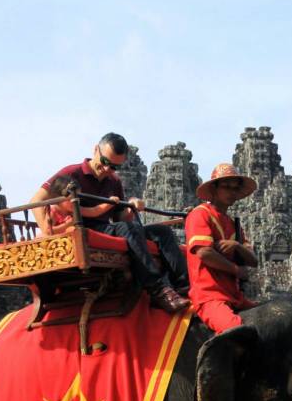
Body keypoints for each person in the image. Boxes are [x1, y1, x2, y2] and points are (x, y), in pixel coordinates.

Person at [29, 133, 188, 313]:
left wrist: (132, 206)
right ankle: (157, 289)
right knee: (127, 229)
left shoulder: (114, 181)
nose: (106, 168)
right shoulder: (72, 173)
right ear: (96, 149)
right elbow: (37, 199)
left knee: (162, 232)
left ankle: (183, 284)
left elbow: (120, 217)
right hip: (84, 228)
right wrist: (47, 229)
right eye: (104, 161)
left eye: (114, 166)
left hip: (110, 228)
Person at [184, 163, 259, 333]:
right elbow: (204, 252)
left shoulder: (235, 225)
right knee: (238, 331)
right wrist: (235, 270)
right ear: (214, 189)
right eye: (226, 186)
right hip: (209, 296)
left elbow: (254, 260)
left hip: (235, 296)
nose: (231, 192)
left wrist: (237, 246)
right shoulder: (200, 214)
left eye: (235, 188)